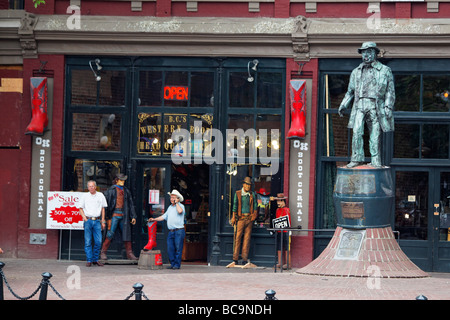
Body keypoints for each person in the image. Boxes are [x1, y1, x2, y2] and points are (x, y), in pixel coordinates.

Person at [338, 42, 395, 168]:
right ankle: (356, 158)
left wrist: (388, 107)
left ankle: (375, 160)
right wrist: (343, 104)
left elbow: (390, 92)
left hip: (375, 105)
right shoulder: (356, 72)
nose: (366, 55)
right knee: (357, 131)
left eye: (369, 52)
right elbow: (350, 92)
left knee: (375, 134)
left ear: (375, 53)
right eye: (364, 52)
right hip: (360, 104)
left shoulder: (385, 71)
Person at [101, 173, 138, 261]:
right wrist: (106, 217)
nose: (123, 182)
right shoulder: (111, 191)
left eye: (123, 180)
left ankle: (129, 253)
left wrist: (133, 216)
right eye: (121, 180)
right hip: (114, 215)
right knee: (110, 233)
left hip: (123, 215)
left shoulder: (126, 191)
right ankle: (103, 252)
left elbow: (130, 204)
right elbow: (106, 205)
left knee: (126, 234)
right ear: (117, 180)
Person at [149, 189, 186, 269]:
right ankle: (173, 264)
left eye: (173, 197)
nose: (171, 199)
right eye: (171, 197)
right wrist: (154, 219)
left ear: (178, 199)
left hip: (179, 230)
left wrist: (176, 203)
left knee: (178, 248)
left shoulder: (181, 206)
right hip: (171, 231)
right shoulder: (170, 207)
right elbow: (164, 216)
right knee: (170, 248)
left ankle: (176, 265)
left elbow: (180, 211)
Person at [228, 176, 258, 267]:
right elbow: (234, 206)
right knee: (237, 238)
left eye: (249, 185)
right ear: (243, 185)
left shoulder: (252, 194)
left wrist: (254, 216)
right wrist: (233, 217)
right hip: (240, 219)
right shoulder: (238, 193)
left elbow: (256, 206)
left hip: (249, 219)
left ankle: (244, 258)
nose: (248, 187)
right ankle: (235, 258)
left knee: (247, 239)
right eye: (247, 185)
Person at [79, 180, 107, 267]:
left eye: (93, 186)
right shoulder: (85, 196)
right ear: (88, 188)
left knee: (98, 241)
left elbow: (103, 208)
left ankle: (95, 259)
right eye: (90, 186)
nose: (91, 188)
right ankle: (89, 260)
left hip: (97, 220)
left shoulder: (100, 195)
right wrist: (85, 218)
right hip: (88, 220)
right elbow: (80, 208)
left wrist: (103, 220)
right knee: (88, 241)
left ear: (95, 187)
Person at [270, 193, 291, 269]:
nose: (278, 203)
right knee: (279, 247)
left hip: (285, 231)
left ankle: (288, 263)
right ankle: (279, 262)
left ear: (283, 202)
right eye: (277, 201)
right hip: (279, 231)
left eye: (280, 201)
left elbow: (288, 220)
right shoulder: (277, 210)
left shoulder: (286, 210)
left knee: (286, 247)